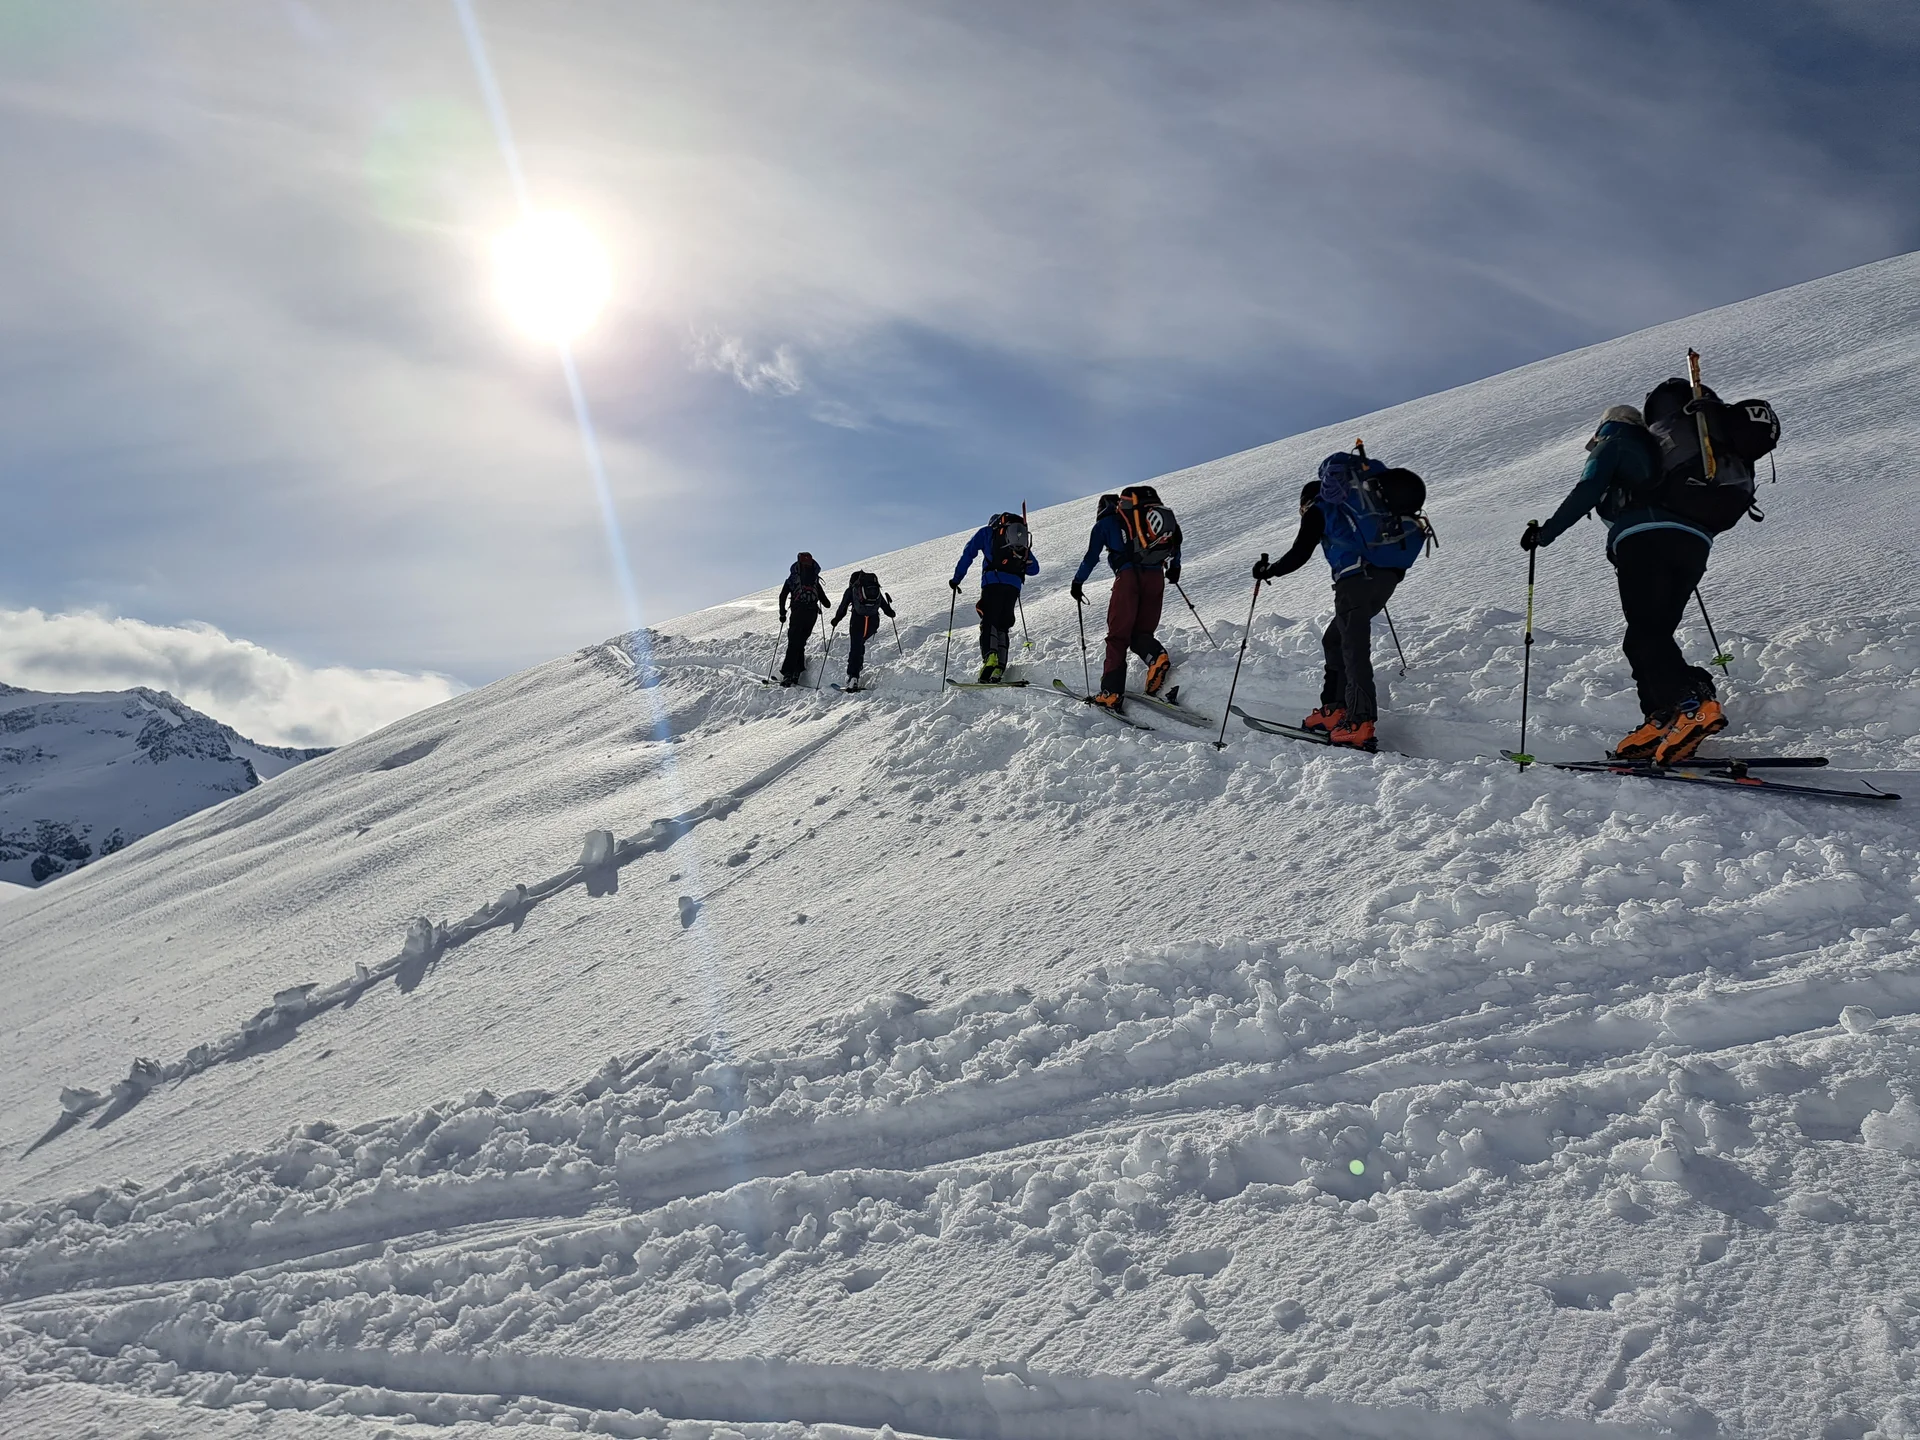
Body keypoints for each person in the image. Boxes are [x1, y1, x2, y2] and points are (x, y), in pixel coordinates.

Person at [1523, 397, 1725, 761]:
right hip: (1694, 544)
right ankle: (1665, 716)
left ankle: (1691, 706)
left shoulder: (1615, 442)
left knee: (1645, 634)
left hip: (1645, 540)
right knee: (1648, 636)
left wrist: (1545, 534)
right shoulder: (1662, 453)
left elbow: (1587, 488)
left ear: (1605, 426)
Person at [1251, 451, 1430, 751]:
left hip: (1355, 579)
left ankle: (1360, 722)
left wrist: (1270, 570)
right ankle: (1334, 710)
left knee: (1352, 646)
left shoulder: (1320, 507)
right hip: (1385, 577)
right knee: (1335, 639)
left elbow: (1300, 552)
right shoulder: (1365, 509)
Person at [1070, 486, 1182, 711]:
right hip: (1155, 575)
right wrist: (1175, 567)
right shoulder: (1146, 519)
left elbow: (1091, 557)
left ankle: (1111, 693)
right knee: (1141, 633)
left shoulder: (1105, 524)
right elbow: (1176, 541)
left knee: (1118, 637)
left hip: (1128, 578)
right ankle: (1156, 657)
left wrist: (1077, 582)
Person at [950, 513, 1039, 683]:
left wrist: (956, 579)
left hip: (993, 583)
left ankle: (990, 658)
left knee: (989, 620)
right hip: (1013, 588)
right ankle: (1000, 666)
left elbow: (968, 553)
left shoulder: (987, 533)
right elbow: (1035, 569)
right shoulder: (1018, 542)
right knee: (1003, 624)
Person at [831, 570, 895, 691]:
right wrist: (890, 613)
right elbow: (884, 605)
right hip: (872, 622)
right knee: (860, 645)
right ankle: (856, 672)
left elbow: (843, 607)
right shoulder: (874, 589)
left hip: (857, 621)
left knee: (855, 647)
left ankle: (853, 677)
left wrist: (836, 620)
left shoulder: (852, 590)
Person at [777, 552, 832, 686]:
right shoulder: (814, 579)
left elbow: (782, 596)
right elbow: (827, 603)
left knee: (793, 642)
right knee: (800, 642)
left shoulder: (792, 579)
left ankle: (788, 674)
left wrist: (782, 613)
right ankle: (797, 671)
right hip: (811, 614)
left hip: (797, 612)